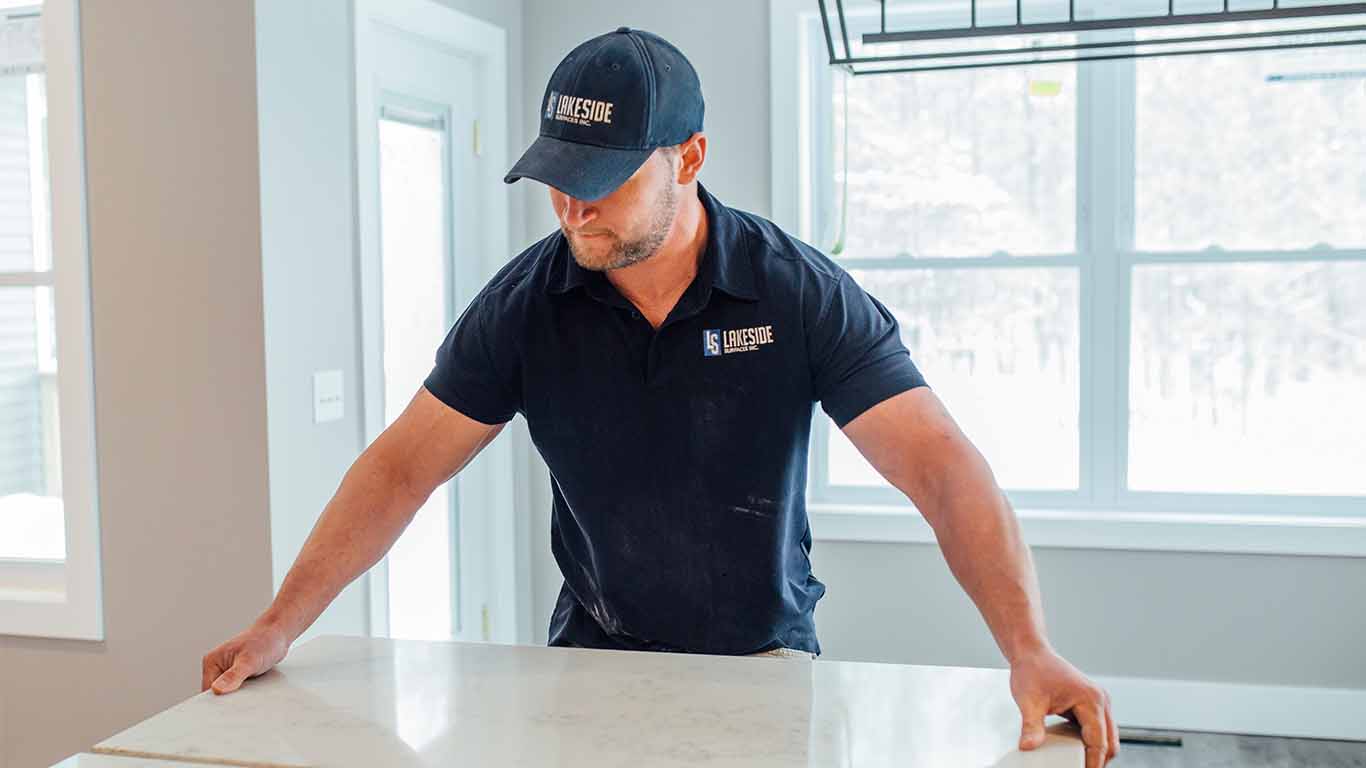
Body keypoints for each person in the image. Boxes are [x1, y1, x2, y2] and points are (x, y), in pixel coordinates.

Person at [203, 26, 1117, 767]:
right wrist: (282, 624)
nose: (573, 209)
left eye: (601, 182)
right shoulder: (524, 308)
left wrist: (1027, 646)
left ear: (689, 158)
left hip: (765, 662)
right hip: (592, 662)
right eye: (558, 180)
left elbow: (943, 470)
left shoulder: (796, 294)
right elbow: (402, 468)